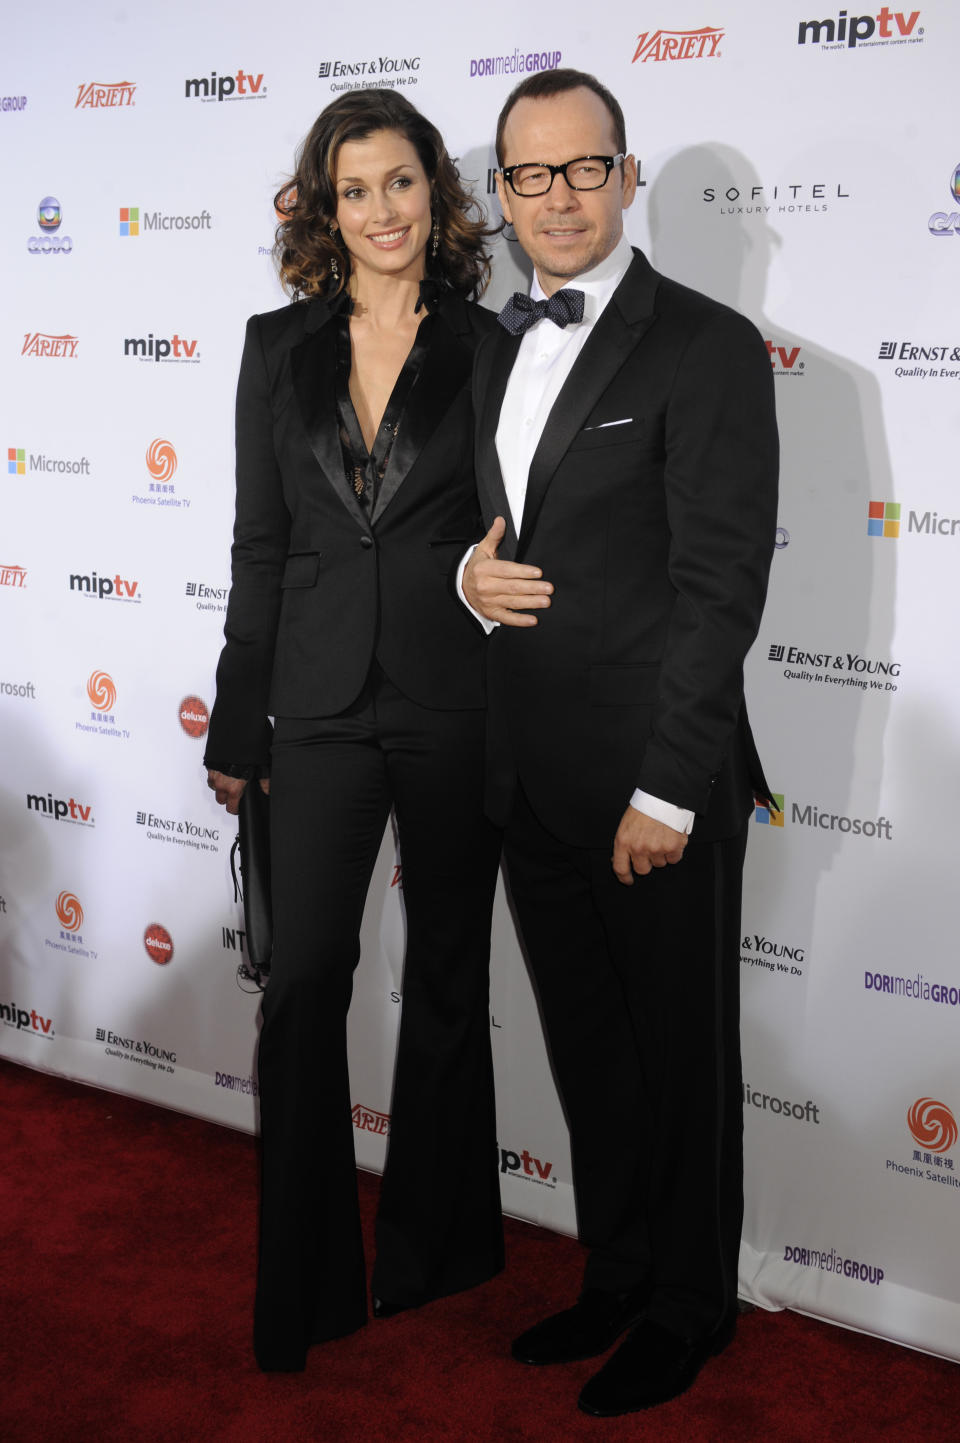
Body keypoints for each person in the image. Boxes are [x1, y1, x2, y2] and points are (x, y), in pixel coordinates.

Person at [462, 69, 779, 1417]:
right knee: (591, 1050)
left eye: (583, 168)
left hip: (654, 784)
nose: (558, 197)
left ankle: (691, 1305)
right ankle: (619, 1270)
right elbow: (478, 539)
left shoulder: (703, 345)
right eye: (530, 175)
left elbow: (720, 587)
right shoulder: (490, 342)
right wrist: (461, 584)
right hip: (530, 776)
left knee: (679, 1056)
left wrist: (669, 785)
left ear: (627, 174)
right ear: (505, 192)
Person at [204, 89, 504, 1373]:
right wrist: (236, 715)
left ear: (436, 192)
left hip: (456, 699)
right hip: (315, 708)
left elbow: (516, 529)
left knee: (447, 975)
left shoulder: (496, 348)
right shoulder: (276, 347)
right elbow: (261, 543)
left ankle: (435, 1246)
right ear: (325, 209)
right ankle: (307, 1280)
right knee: (305, 980)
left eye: (400, 183)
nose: (381, 211)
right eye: (354, 189)